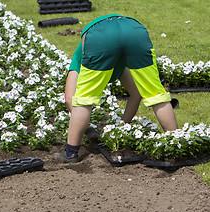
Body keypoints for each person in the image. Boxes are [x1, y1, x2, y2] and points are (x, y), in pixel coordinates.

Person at [55, 14, 178, 163]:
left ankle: (70, 153)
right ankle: (176, 145)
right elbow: (136, 94)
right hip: (134, 30)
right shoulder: (121, 62)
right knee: (156, 94)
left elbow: (70, 99)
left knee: (83, 99)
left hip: (100, 34)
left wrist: (87, 129)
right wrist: (121, 127)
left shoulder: (80, 56)